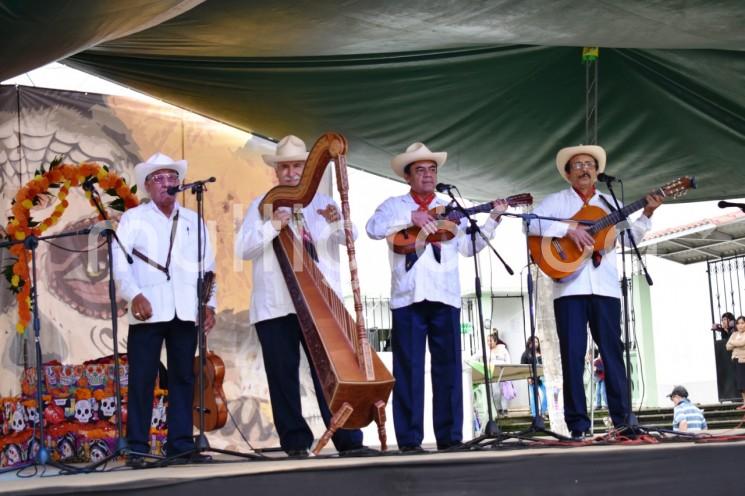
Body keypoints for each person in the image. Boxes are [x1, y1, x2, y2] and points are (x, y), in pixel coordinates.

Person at [365, 142, 507, 451]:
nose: (428, 175)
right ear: (408, 177)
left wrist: (493, 220)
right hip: (408, 299)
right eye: (420, 170)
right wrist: (410, 220)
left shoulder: (453, 206)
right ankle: (410, 440)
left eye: (432, 169)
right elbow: (372, 228)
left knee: (449, 371)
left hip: (446, 297)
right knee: (409, 371)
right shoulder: (394, 205)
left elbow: (470, 248)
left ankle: (449, 437)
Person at [235, 135, 371, 457]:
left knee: (332, 373)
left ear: (307, 171)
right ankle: (295, 443)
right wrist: (272, 226)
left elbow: (346, 240)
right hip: (275, 306)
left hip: (319, 305)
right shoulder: (260, 205)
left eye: (298, 166)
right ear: (277, 172)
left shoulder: (323, 204)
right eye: (286, 167)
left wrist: (340, 224)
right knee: (282, 377)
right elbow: (242, 248)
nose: (292, 173)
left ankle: (348, 440)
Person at [528, 145, 663, 439]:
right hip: (569, 290)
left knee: (613, 354)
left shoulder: (607, 204)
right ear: (567, 174)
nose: (584, 169)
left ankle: (624, 421)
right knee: (573, 357)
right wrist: (568, 231)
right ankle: (578, 426)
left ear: (597, 172)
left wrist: (647, 213)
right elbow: (530, 224)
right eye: (577, 166)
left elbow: (628, 239)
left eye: (589, 164)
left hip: (605, 289)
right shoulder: (557, 202)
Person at [113, 153, 216, 467]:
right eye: (158, 178)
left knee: (184, 379)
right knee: (142, 378)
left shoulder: (193, 219)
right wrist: (133, 295)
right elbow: (119, 261)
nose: (167, 183)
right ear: (147, 185)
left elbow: (208, 266)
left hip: (186, 310)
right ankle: (138, 448)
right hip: (147, 310)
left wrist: (210, 304)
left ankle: (181, 445)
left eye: (172, 178)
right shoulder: (133, 218)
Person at [713, 312, 739, 401]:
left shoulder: (734, 330)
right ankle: (734, 398)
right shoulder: (725, 331)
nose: (723, 322)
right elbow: (725, 343)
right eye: (722, 320)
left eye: (725, 319)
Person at [520, 336, 548, 417]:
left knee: (547, 394)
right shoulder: (526, 354)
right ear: (529, 343)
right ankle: (535, 415)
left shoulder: (541, 353)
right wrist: (528, 377)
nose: (535, 344)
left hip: (542, 378)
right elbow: (522, 367)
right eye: (533, 342)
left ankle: (542, 412)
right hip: (532, 378)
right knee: (533, 397)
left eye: (536, 342)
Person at [725, 315, 745, 410]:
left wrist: (733, 343)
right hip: (736, 360)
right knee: (741, 384)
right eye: (738, 323)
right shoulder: (734, 334)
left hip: (743, 360)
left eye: (742, 323)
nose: (740, 325)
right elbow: (727, 347)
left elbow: (742, 343)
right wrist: (735, 344)